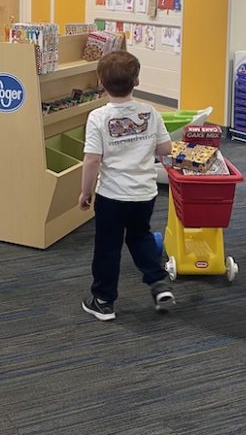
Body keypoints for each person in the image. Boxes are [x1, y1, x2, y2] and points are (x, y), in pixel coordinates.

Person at [78, 50, 174, 321]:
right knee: (140, 236)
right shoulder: (150, 112)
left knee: (107, 247)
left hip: (112, 195)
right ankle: (158, 282)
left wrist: (86, 192)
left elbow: (92, 160)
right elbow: (165, 148)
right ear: (137, 81)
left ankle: (103, 300)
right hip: (145, 193)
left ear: (100, 82)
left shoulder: (98, 117)